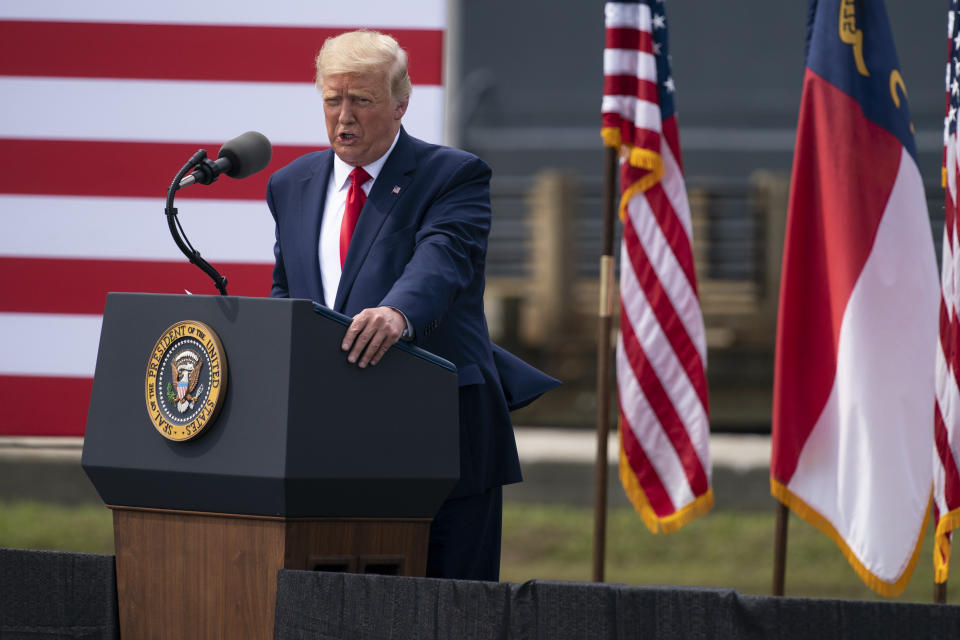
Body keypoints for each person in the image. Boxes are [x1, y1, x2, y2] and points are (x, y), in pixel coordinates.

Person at [267, 29, 558, 581]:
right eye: (333, 99)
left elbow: (443, 261)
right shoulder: (292, 184)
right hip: (327, 443)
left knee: (453, 608)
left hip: (440, 432)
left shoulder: (452, 176)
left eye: (362, 100)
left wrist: (396, 314)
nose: (343, 116)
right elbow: (290, 290)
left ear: (401, 104)